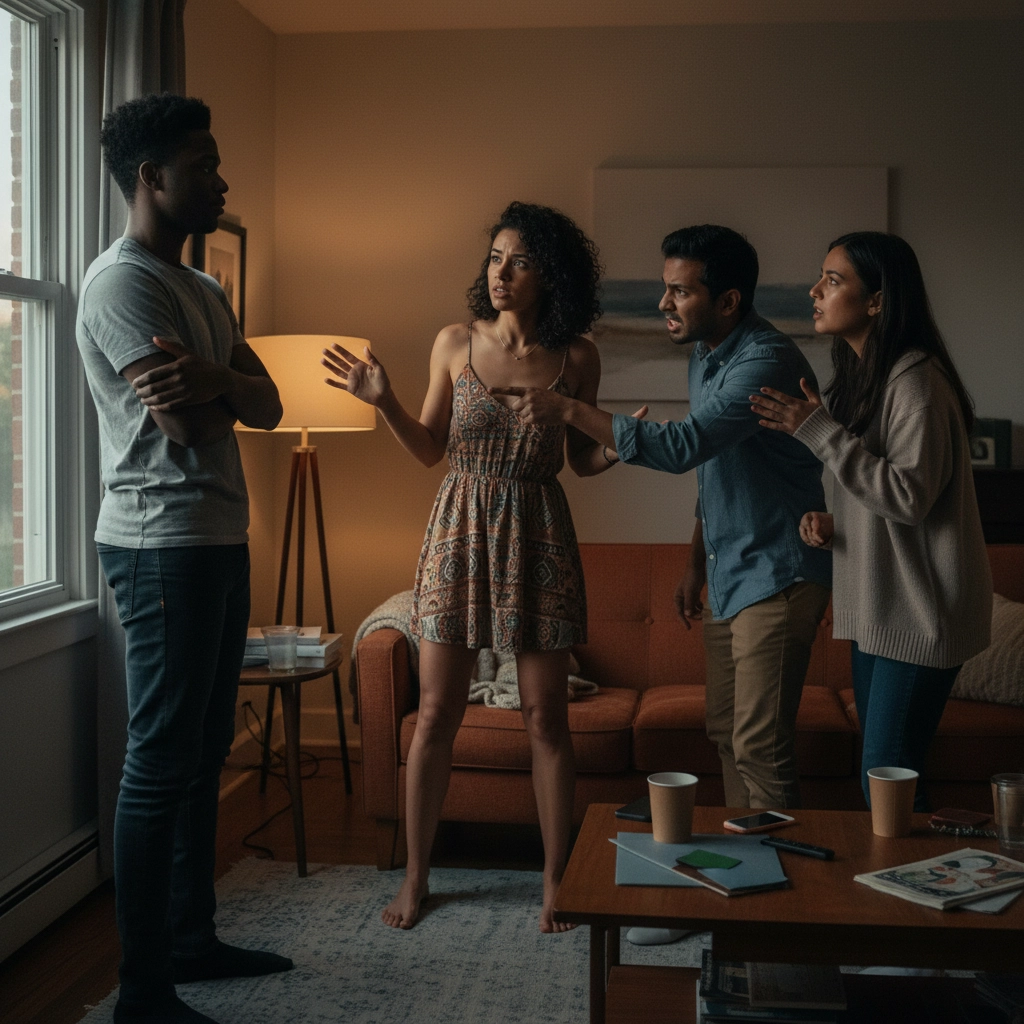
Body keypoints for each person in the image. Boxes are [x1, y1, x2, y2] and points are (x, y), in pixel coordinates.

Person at [322, 201, 625, 933]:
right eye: (495, 257)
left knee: (546, 718)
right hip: (458, 530)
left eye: (519, 261)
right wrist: (383, 401)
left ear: (551, 275)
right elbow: (431, 449)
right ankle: (417, 877)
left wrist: (619, 444)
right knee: (436, 715)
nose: (501, 273)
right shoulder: (454, 342)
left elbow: (582, 461)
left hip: (539, 533)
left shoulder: (578, 357)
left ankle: (554, 880)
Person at [78, 94, 291, 1024]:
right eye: (203, 165)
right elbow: (189, 424)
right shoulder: (120, 284)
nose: (221, 180)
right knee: (161, 759)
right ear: (151, 177)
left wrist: (218, 379)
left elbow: (270, 404)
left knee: (207, 750)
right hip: (158, 544)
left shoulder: (202, 289)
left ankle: (192, 941)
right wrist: (222, 388)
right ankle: (143, 989)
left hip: (215, 538)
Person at [497, 224, 832, 811]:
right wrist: (695, 563)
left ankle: (784, 866)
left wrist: (569, 409)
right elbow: (716, 467)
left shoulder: (765, 360)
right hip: (730, 573)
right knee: (726, 733)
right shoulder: (705, 356)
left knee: (759, 745)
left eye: (680, 291)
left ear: (727, 301)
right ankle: (751, 854)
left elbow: (683, 447)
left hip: (778, 575)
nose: (663, 304)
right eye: (665, 287)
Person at [750, 231, 991, 811]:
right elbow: (886, 496)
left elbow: (908, 497)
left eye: (833, 280)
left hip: (919, 613)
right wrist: (838, 524)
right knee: (890, 787)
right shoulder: (868, 380)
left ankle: (922, 873)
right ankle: (922, 869)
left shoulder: (917, 383)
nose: (815, 290)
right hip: (883, 610)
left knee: (883, 787)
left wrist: (819, 432)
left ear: (878, 301)